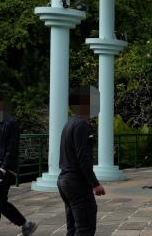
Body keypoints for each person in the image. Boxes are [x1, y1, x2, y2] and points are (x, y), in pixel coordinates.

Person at [0, 93, 37, 236]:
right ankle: (26, 224)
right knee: (0, 203)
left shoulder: (11, 123)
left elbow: (11, 149)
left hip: (5, 170)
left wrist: (3, 170)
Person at [59, 87, 105, 236]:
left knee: (73, 229)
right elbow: (83, 158)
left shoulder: (69, 123)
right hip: (76, 182)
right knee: (85, 228)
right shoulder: (82, 125)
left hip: (65, 180)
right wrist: (95, 184)